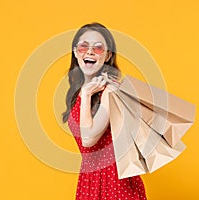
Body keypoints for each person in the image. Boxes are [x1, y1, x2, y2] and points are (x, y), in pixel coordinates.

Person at [62, 22, 147, 200]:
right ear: (76, 52)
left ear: (108, 56)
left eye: (98, 48)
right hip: (89, 180)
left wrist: (86, 94)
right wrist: (85, 93)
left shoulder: (110, 91)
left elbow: (88, 138)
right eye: (84, 46)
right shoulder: (78, 92)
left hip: (115, 182)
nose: (90, 51)